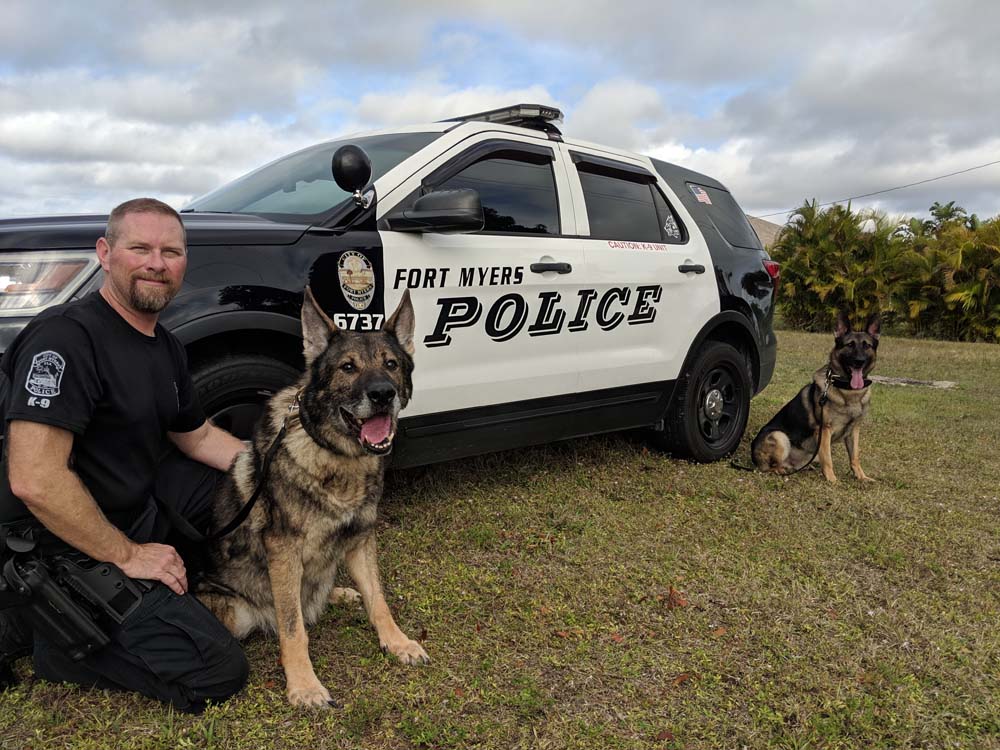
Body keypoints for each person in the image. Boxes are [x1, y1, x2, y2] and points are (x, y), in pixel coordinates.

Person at [0, 198, 249, 712]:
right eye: (139, 248)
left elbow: (197, 437)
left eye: (171, 251)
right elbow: (35, 479)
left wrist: (277, 465)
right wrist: (129, 555)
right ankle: (51, 642)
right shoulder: (66, 339)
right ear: (105, 254)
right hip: (57, 542)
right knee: (217, 669)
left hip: (132, 509)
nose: (156, 263)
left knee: (237, 486)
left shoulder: (165, 347)